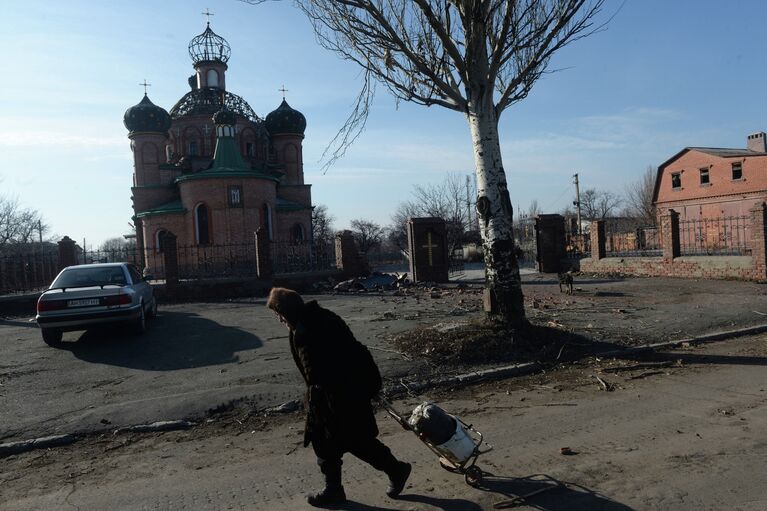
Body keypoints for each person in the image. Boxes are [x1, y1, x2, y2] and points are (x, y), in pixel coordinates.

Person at [267, 287, 412, 508]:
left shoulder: (305, 330)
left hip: (337, 397)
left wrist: (318, 399)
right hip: (344, 392)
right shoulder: (321, 317)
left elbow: (314, 372)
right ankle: (335, 489)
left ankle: (396, 470)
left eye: (278, 315)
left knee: (356, 442)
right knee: (329, 443)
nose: (278, 320)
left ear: (286, 311)